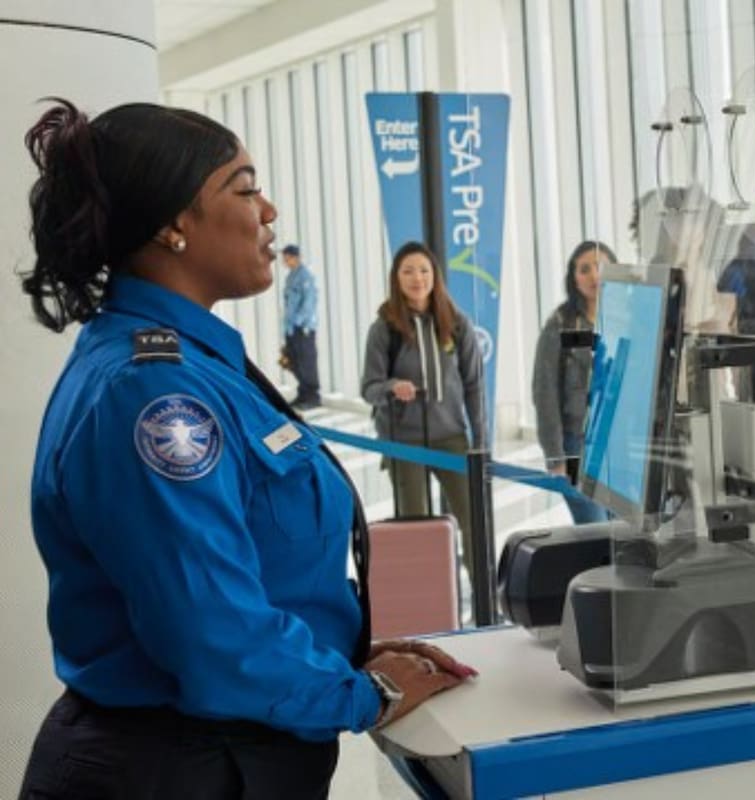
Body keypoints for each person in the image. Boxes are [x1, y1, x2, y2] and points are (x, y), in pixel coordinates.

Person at [16, 99, 476, 799]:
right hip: (175, 770)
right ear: (174, 225)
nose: (270, 210)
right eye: (245, 187)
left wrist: (336, 659)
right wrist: (369, 695)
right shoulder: (155, 397)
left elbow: (248, 577)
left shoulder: (196, 366)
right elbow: (211, 635)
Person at [361, 241, 486, 584]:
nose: (417, 278)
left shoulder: (457, 324)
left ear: (436, 276)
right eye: (408, 271)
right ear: (396, 278)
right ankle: (424, 598)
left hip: (451, 437)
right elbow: (369, 388)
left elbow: (474, 386)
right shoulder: (384, 328)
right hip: (404, 441)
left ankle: (483, 598)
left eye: (424, 270)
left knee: (474, 522)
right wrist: (391, 387)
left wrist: (481, 444)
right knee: (414, 529)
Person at [532, 240, 615, 523]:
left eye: (601, 266)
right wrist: (555, 456)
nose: (594, 275)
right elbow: (545, 391)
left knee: (625, 535)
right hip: (577, 443)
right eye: (584, 269)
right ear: (573, 277)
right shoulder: (560, 323)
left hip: (618, 443)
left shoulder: (627, 318)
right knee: (596, 530)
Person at [281, 243, 321, 409]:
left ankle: (312, 397)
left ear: (295, 257)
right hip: (291, 327)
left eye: (287, 258)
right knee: (295, 360)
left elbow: (309, 302)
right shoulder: (291, 276)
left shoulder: (306, 276)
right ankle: (303, 394)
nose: (285, 261)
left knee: (307, 361)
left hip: (303, 327)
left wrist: (299, 322)